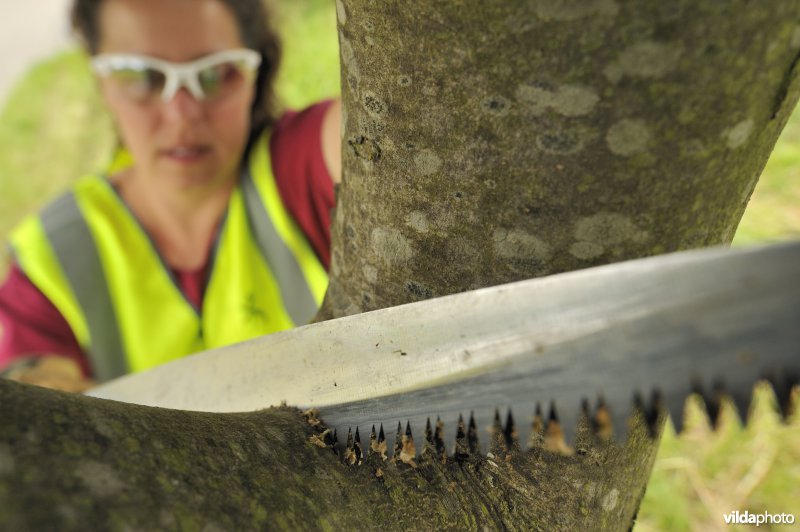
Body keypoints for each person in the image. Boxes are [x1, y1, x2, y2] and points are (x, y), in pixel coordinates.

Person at [0, 0, 342, 391]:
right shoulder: (52, 260)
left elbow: (380, 132)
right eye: (141, 76)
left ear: (254, 73)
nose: (182, 115)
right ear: (100, 83)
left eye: (215, 74)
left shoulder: (299, 166)